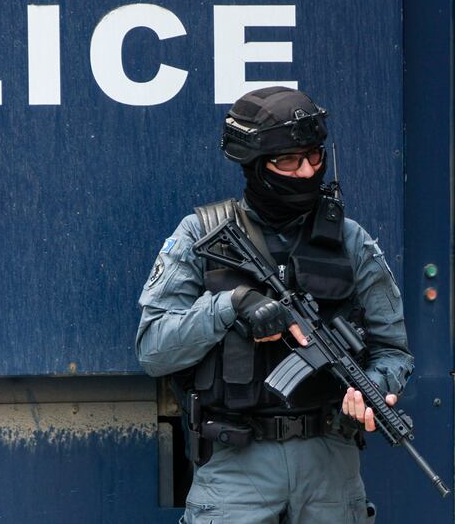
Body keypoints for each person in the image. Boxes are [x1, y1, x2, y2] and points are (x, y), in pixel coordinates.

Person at [135, 86, 414, 523]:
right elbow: (153, 349)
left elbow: (393, 350)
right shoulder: (201, 235)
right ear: (255, 163)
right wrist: (231, 305)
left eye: (314, 157)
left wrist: (373, 387)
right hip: (236, 466)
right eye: (289, 161)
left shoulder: (350, 240)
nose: (306, 172)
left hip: (330, 466)